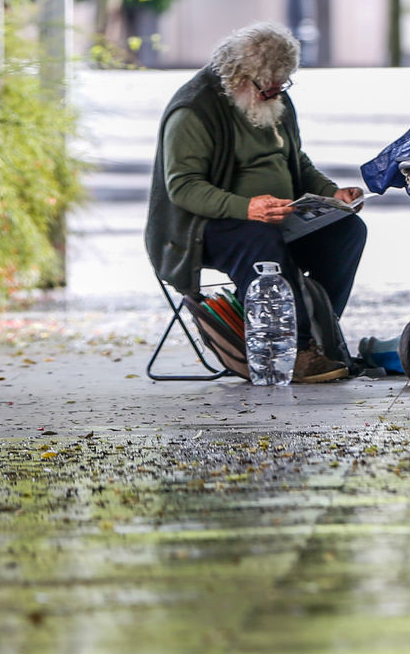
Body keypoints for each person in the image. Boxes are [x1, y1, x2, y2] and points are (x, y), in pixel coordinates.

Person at [145, 22, 366, 383]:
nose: (277, 92)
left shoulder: (274, 98)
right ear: (238, 79)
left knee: (347, 229)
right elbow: (183, 187)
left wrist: (331, 193)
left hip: (277, 216)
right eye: (269, 87)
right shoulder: (194, 108)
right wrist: (246, 208)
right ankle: (296, 350)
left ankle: (322, 331)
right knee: (259, 238)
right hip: (204, 227)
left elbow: (296, 161)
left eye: (284, 83)